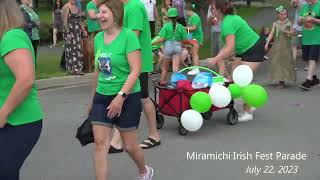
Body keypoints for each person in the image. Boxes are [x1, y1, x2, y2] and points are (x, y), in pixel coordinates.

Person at [87, 1, 153, 179]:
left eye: (104, 12)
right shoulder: (98, 38)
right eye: (99, 12)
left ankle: (144, 171)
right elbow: (98, 71)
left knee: (130, 146)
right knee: (100, 144)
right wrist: (92, 99)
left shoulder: (128, 36)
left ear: (115, 15)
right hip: (102, 96)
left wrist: (120, 96)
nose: (100, 16)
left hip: (127, 96)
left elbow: (136, 69)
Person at [108, 0, 161, 153]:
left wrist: (116, 52)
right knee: (136, 96)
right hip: (129, 61)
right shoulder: (124, 7)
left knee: (137, 96)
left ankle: (120, 140)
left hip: (138, 61)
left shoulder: (135, 7)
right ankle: (150, 134)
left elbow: (133, 36)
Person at [0, 0, 43, 179]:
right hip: (7, 120)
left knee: (5, 171)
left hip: (19, 121)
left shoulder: (12, 37)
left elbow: (26, 79)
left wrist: (3, 112)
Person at [208, 0, 265, 122]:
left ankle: (248, 111)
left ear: (219, 10)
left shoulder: (228, 22)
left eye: (212, 8)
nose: (211, 10)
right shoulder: (227, 20)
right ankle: (248, 103)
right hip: (243, 50)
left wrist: (215, 59)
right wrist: (218, 58)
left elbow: (230, 47)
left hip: (254, 49)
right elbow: (227, 47)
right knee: (235, 80)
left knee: (242, 81)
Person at [152, 7, 189, 84]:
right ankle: (176, 84)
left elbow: (161, 39)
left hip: (168, 46)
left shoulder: (166, 26)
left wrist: (151, 43)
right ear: (177, 16)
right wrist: (181, 42)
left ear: (168, 17)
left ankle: (162, 82)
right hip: (177, 46)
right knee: (175, 68)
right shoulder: (181, 27)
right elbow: (185, 40)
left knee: (165, 68)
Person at [265, 6, 297, 89]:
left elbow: (293, 33)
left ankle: (282, 81)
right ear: (278, 15)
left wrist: (286, 31)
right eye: (282, 14)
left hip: (286, 45)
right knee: (277, 62)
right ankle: (279, 79)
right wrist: (267, 43)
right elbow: (272, 33)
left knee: (284, 62)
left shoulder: (288, 22)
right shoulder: (275, 23)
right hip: (277, 45)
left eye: (285, 14)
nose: (284, 16)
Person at [298, 0, 320, 90]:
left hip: (317, 38)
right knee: (306, 59)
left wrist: (313, 20)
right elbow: (299, 22)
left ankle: (308, 81)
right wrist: (301, 19)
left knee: (312, 58)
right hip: (306, 38)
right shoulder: (304, 6)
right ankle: (314, 78)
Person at [61, 0, 85, 75]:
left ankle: (78, 68)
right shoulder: (66, 7)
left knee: (78, 49)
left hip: (77, 32)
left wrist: (83, 30)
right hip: (70, 32)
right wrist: (68, 32)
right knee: (71, 49)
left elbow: (80, 21)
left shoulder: (76, 7)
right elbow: (64, 22)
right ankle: (72, 69)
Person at [185, 2, 204, 76]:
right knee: (192, 52)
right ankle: (195, 67)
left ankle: (196, 69)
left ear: (188, 10)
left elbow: (194, 28)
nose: (185, 13)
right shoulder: (191, 17)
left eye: (185, 11)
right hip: (193, 37)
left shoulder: (195, 17)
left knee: (195, 52)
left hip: (197, 37)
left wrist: (184, 28)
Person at [86, 0, 102, 72]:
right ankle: (92, 66)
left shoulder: (100, 4)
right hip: (94, 31)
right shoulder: (90, 5)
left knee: (101, 49)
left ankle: (100, 65)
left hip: (101, 29)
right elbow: (92, 16)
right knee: (93, 51)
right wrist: (102, 14)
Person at [291, 0, 306, 70]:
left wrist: (298, 3)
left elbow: (303, 10)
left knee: (305, 46)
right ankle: (293, 65)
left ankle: (308, 65)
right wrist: (294, 2)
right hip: (296, 28)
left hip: (304, 29)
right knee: (294, 45)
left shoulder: (308, 2)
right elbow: (292, 6)